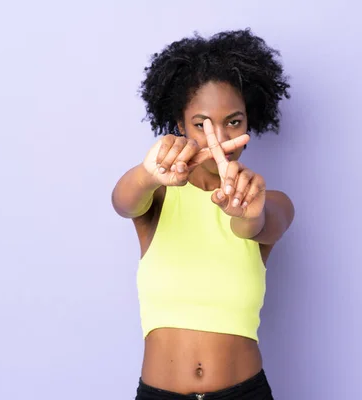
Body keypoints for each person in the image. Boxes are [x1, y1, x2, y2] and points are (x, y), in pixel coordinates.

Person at [111, 29, 294, 400]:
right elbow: (123, 202)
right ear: (179, 125)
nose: (219, 137)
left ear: (249, 124)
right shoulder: (159, 195)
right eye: (201, 124)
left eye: (234, 121)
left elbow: (255, 225)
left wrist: (244, 209)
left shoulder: (268, 201)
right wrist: (148, 174)